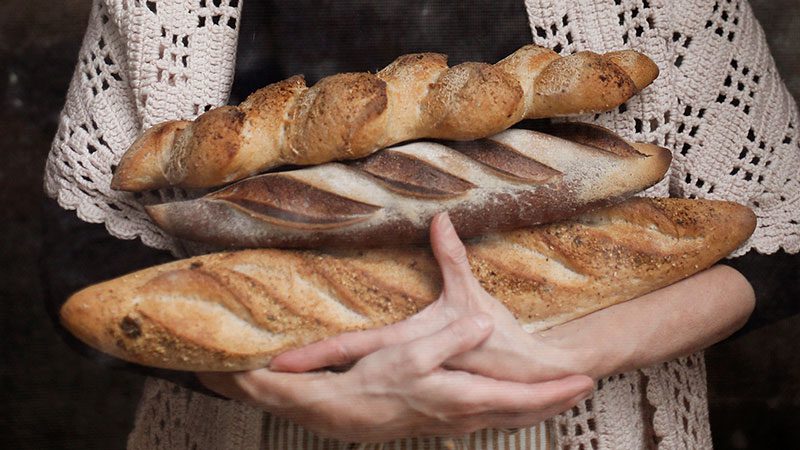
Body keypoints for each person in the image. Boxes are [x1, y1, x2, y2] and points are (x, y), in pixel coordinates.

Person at [45, 0, 798, 448]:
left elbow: (782, 236)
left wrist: (559, 356)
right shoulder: (166, 10)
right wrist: (292, 393)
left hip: (586, 428)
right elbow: (85, 264)